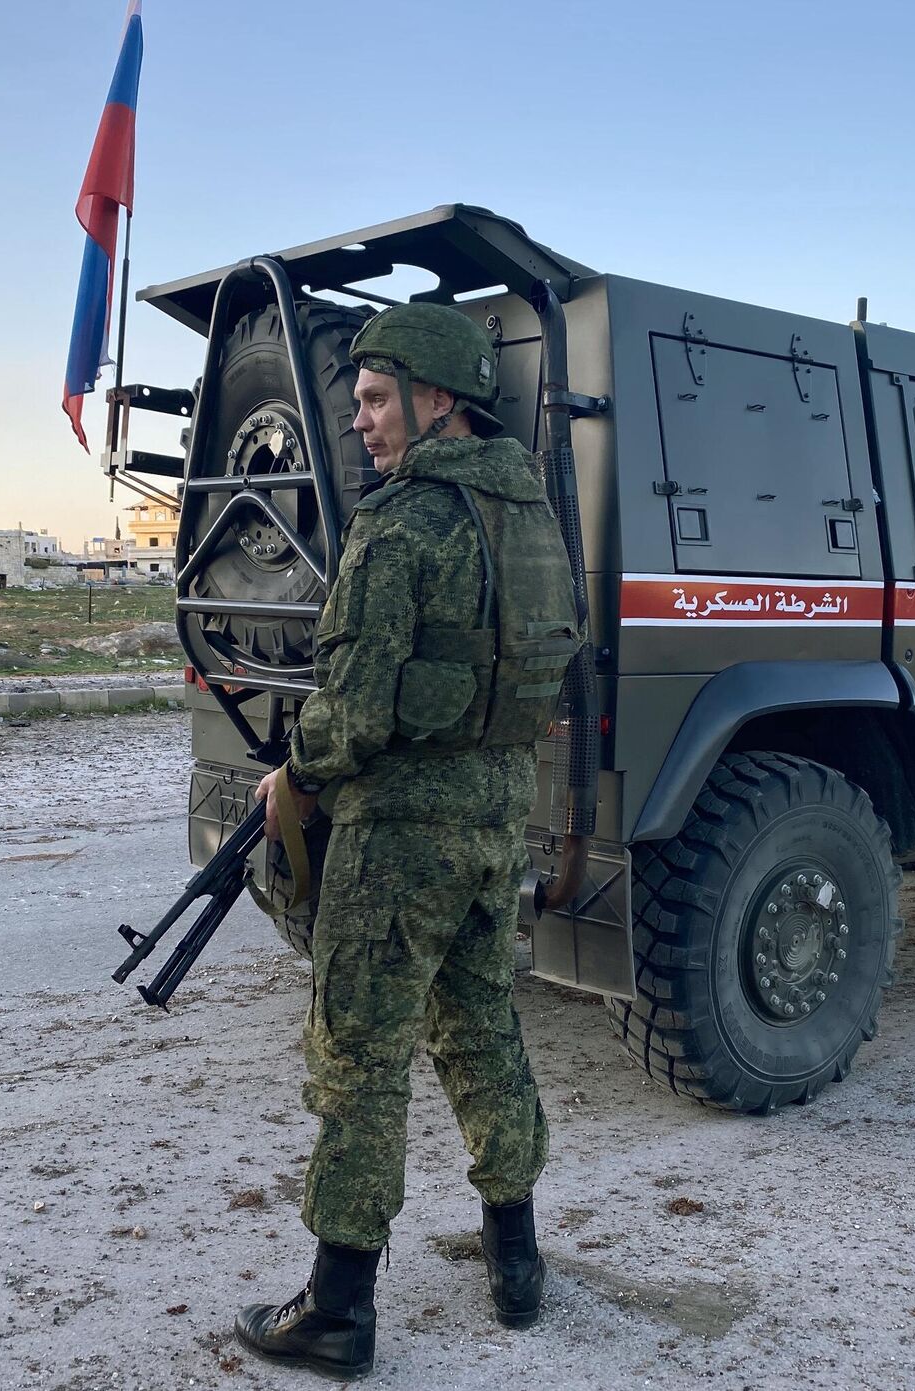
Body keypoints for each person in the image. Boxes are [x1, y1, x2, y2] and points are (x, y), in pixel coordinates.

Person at [236, 302, 581, 1379]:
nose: (364, 424)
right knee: (483, 1029)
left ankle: (338, 1310)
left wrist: (291, 774)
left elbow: (351, 710)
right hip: (494, 817)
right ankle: (516, 1262)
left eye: (379, 400)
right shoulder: (534, 517)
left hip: (401, 839)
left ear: (441, 400)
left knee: (358, 1057)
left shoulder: (404, 523)